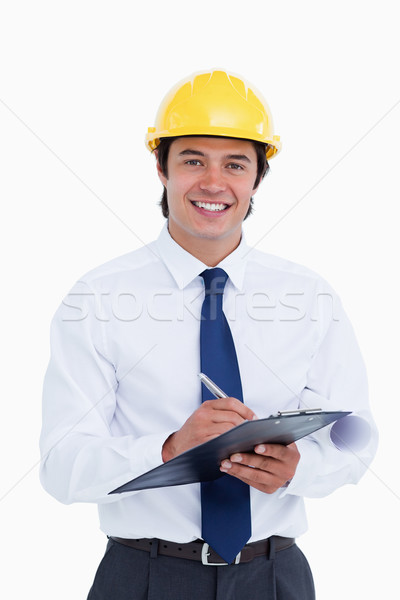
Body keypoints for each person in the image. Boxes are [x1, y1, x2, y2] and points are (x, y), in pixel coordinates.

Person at [39, 69, 378, 599]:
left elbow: (355, 435)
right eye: (193, 160)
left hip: (275, 577)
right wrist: (171, 448)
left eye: (235, 164)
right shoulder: (98, 299)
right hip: (145, 577)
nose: (214, 183)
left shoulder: (309, 295)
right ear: (161, 168)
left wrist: (298, 469)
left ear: (258, 179)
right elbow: (61, 467)